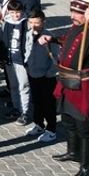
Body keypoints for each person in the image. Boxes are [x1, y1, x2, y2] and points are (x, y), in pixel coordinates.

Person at [51, 0, 89, 176]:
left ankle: (87, 167)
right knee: (68, 121)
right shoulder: (76, 26)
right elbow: (68, 39)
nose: (73, 16)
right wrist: (52, 39)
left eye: (78, 13)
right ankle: (73, 152)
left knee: (84, 127)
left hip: (82, 85)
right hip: (66, 82)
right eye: (72, 11)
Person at [24, 8, 59, 143]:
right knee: (37, 102)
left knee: (48, 104)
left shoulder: (49, 36)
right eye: (31, 22)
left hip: (46, 77)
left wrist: (48, 74)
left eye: (37, 22)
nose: (34, 25)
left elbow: (55, 58)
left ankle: (51, 130)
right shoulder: (28, 34)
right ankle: (39, 124)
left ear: (43, 22)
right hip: (33, 74)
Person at [0, 0, 31, 123]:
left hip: (21, 61)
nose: (15, 15)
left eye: (18, 12)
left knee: (24, 86)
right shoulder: (6, 23)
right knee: (13, 86)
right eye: (12, 12)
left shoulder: (26, 23)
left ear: (22, 12)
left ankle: (25, 111)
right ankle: (16, 107)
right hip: (9, 60)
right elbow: (2, 40)